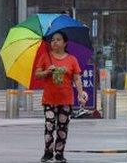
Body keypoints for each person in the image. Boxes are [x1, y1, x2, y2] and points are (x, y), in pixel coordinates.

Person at [34, 30, 87, 162]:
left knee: (63, 127)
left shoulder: (72, 59)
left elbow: (76, 78)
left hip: (66, 100)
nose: (54, 42)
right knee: (49, 125)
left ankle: (59, 153)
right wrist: (47, 71)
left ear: (65, 43)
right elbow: (37, 74)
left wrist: (81, 94)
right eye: (52, 40)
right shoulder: (45, 57)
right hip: (49, 100)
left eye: (58, 39)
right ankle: (48, 152)